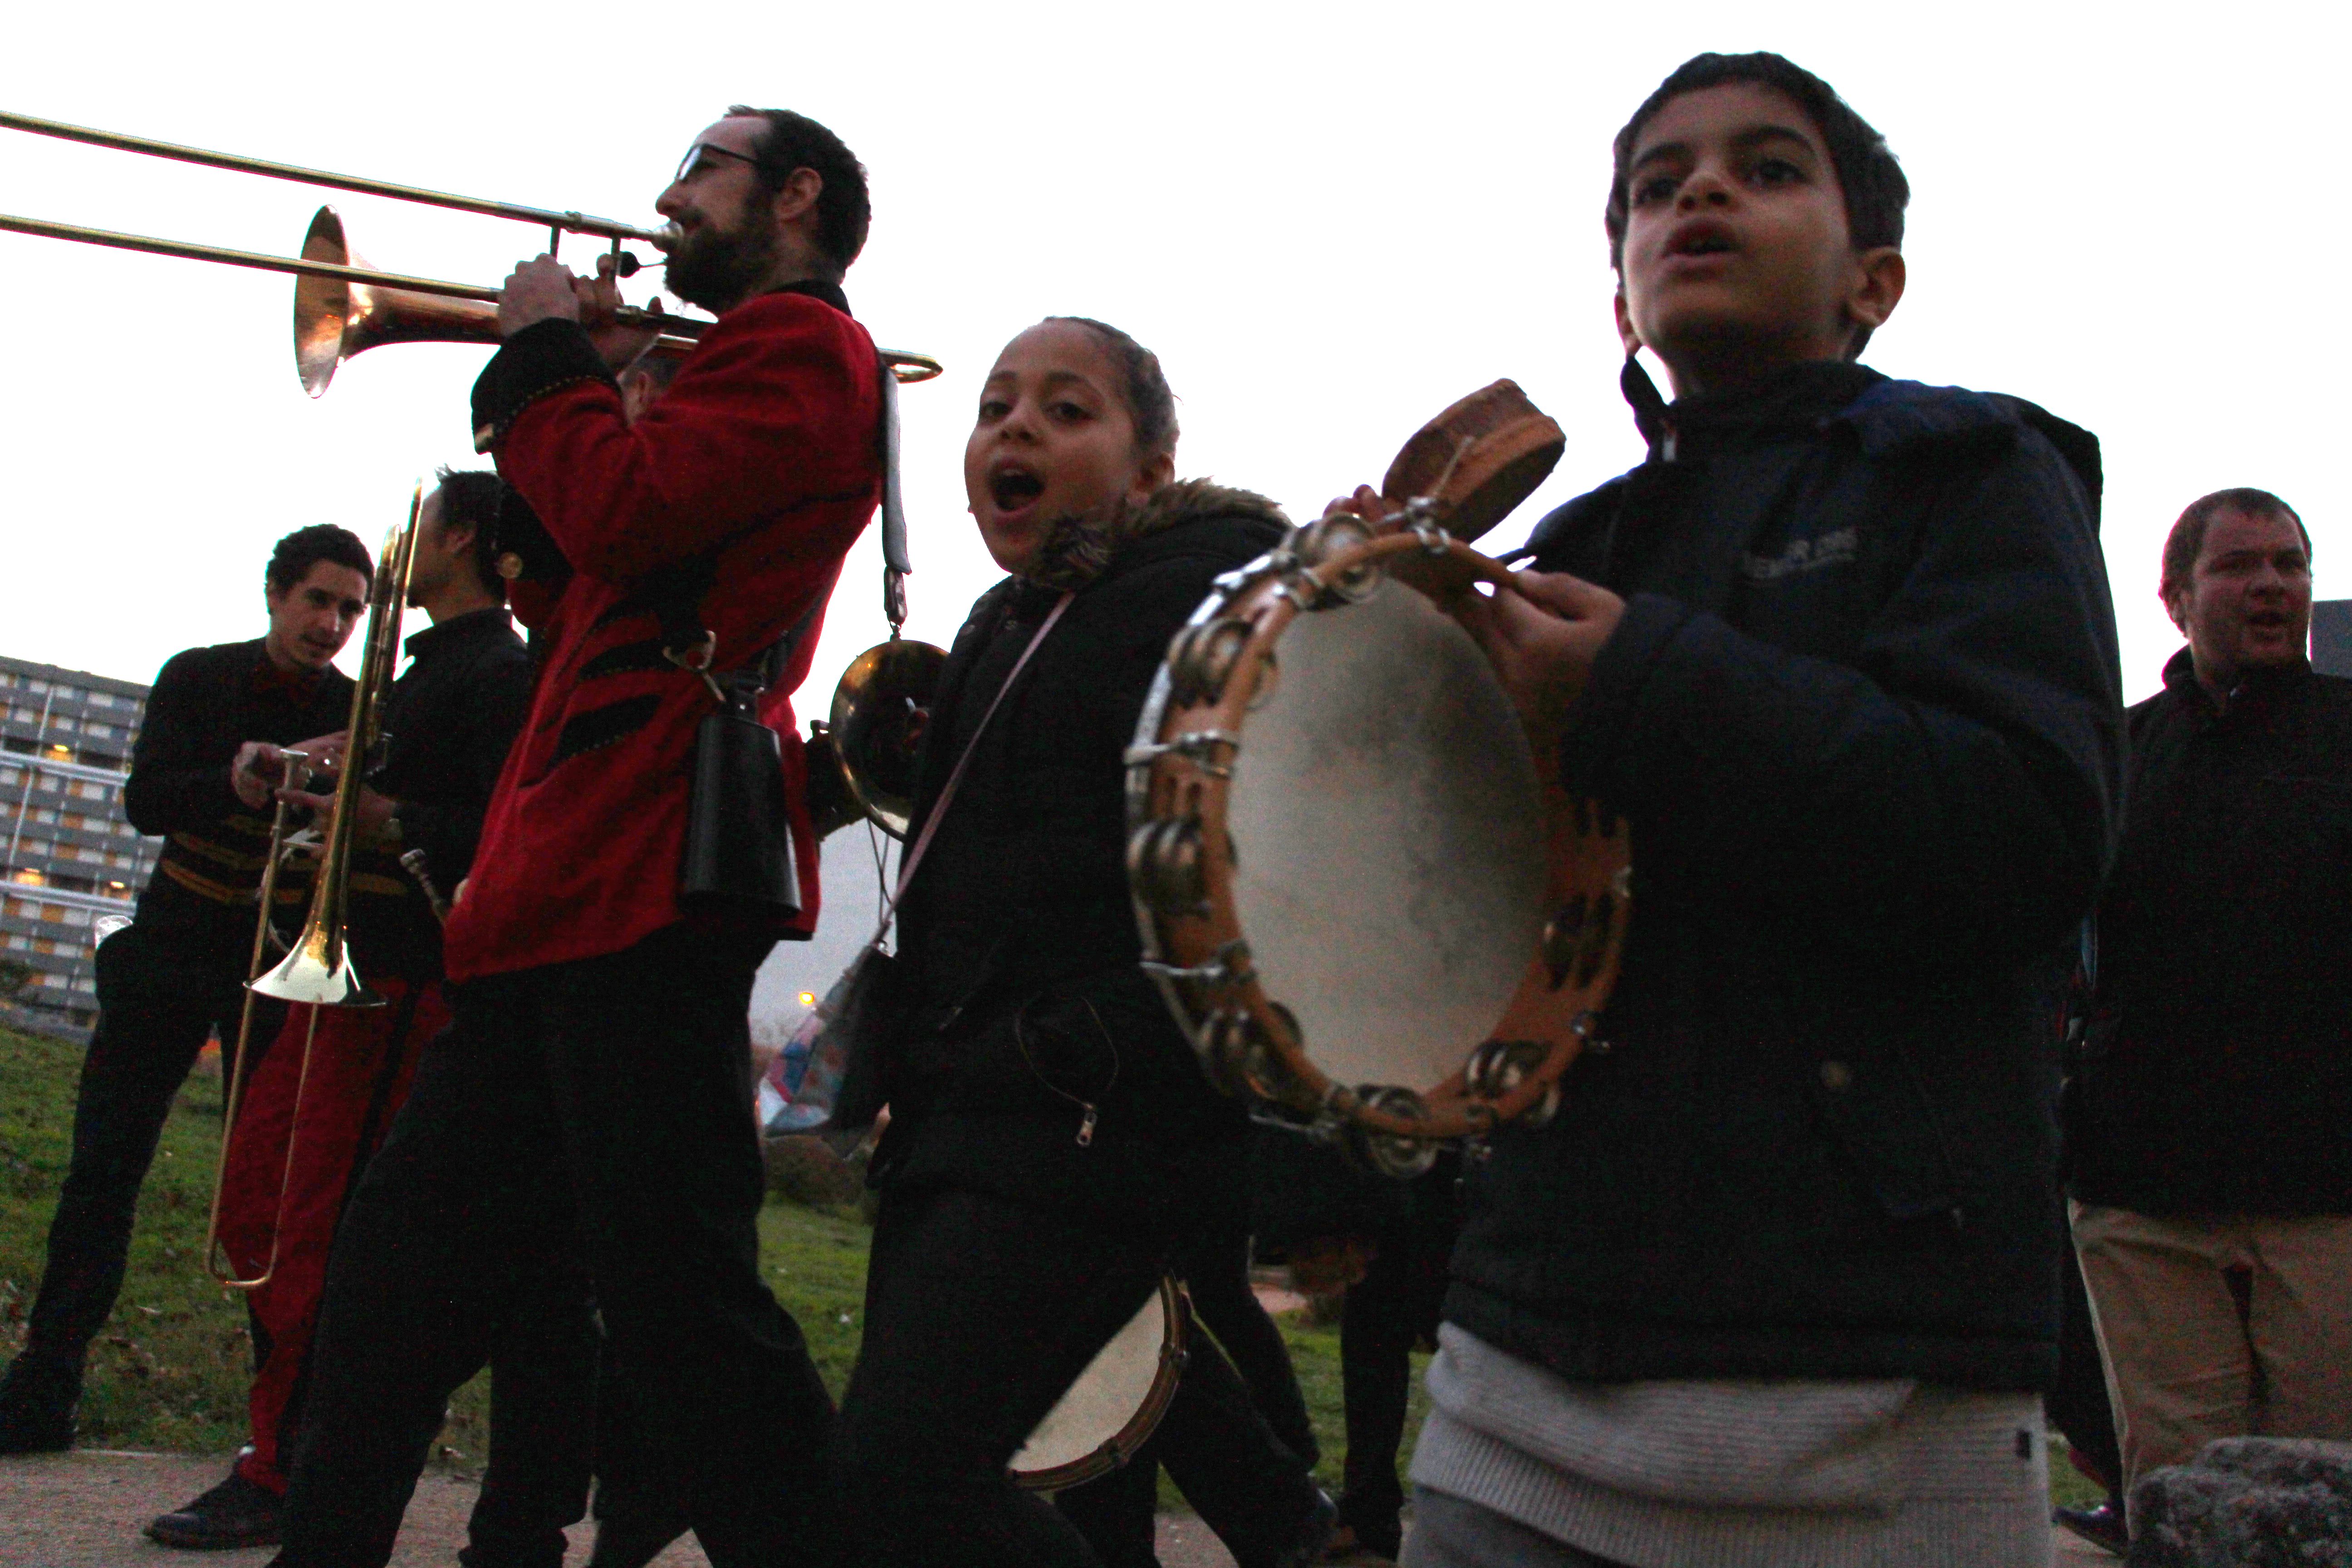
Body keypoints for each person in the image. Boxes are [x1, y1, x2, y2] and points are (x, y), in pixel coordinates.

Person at [1339, 52, 2125, 1568]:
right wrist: (1365, 684)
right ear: (1619, 299)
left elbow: (2025, 832)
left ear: (1872, 279)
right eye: (1654, 183)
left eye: (1768, 169)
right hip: (1517, 1363)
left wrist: (1640, 684)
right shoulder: (1570, 542)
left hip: (1863, 1392)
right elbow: (1464, 912)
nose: (1698, 190)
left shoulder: (1968, 476)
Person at [267, 105, 883, 1568]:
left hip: (645, 883)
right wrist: (595, 384)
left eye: (702, 170)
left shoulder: (808, 351)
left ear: (793, 193)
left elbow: (625, 511)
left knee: (686, 1312)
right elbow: (581, 557)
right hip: (563, 888)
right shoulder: (718, 366)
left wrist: (548, 355)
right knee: (389, 1290)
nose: (668, 200)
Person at [832, 317, 1333, 1568]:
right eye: (998, 406)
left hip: (1081, 1114)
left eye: (1067, 410)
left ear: (1152, 470)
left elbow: (1260, 861)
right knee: (955, 1470)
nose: (1016, 428)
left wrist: (1082, 1039)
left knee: (899, 1479)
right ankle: (1298, 1534)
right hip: (976, 1108)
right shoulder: (1012, 617)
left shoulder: (1197, 598)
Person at [144, 473, 557, 1553]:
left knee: (313, 1233)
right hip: (349, 986)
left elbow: (496, 828)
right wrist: (313, 771)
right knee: (263, 1210)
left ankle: (283, 1471)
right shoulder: (429, 674)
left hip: (399, 994)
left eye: (423, 530)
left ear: (462, 538)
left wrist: (382, 816)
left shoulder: (498, 676)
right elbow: (383, 758)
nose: (404, 551)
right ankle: (280, 1452)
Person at [0, 527, 369, 1455]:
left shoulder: (359, 709)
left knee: (266, 1197)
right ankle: (44, 1386)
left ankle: (276, 1420)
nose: (332, 624)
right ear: (276, 596)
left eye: (351, 611)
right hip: (174, 941)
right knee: (103, 1171)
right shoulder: (198, 676)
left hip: (275, 958)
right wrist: (242, 779)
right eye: (318, 600)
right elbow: (144, 801)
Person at [2067, 487, 2352, 1520]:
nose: (2272, 585)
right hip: (2146, 1191)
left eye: (2291, 563)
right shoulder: (2113, 755)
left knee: (2326, 1493)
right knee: (2180, 1495)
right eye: (2240, 567)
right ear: (2176, 597)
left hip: (2330, 1192)